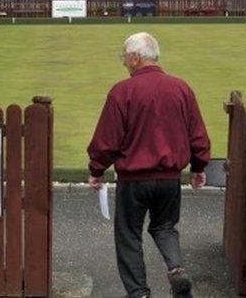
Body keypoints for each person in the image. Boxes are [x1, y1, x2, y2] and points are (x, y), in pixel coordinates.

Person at [87, 31, 211, 298]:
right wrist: (199, 168)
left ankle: (139, 293)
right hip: (168, 178)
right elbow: (198, 136)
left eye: (124, 57)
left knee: (129, 235)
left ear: (135, 58)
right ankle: (176, 269)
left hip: (133, 180)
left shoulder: (123, 91)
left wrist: (96, 170)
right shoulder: (181, 88)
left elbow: (106, 141)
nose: (123, 62)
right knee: (165, 227)